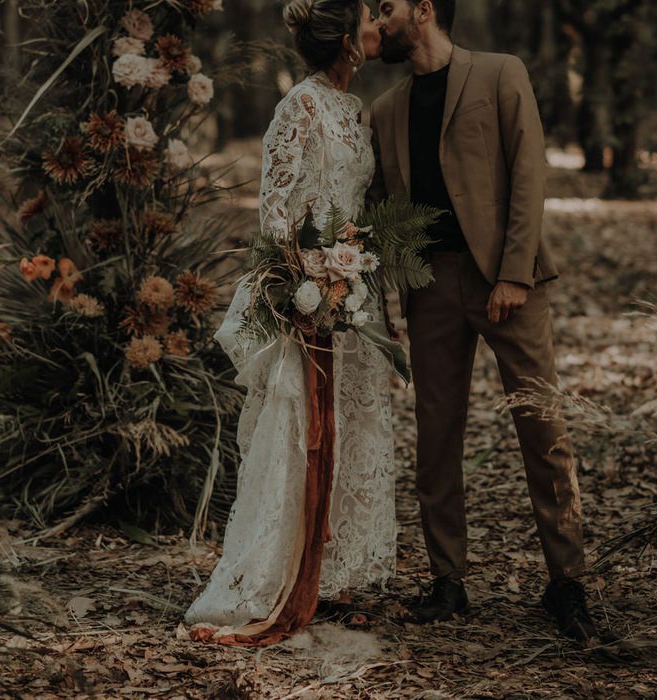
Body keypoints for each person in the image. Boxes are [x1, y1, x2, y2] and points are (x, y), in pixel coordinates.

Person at [368, 0, 598, 642]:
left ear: (424, 10)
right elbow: (382, 208)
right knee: (436, 434)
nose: (377, 23)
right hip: (431, 287)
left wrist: (514, 273)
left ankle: (567, 582)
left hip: (509, 280)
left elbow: (529, 172)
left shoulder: (500, 73)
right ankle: (448, 579)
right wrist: (387, 296)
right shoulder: (384, 110)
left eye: (385, 8)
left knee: (542, 427)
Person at [185, 0, 396, 645]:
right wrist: (314, 276)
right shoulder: (300, 106)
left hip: (353, 297)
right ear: (346, 42)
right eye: (368, 18)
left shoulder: (353, 108)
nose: (377, 26)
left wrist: (353, 271)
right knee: (299, 428)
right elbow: (274, 211)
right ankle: (277, 570)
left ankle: (335, 572)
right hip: (309, 299)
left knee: (352, 428)